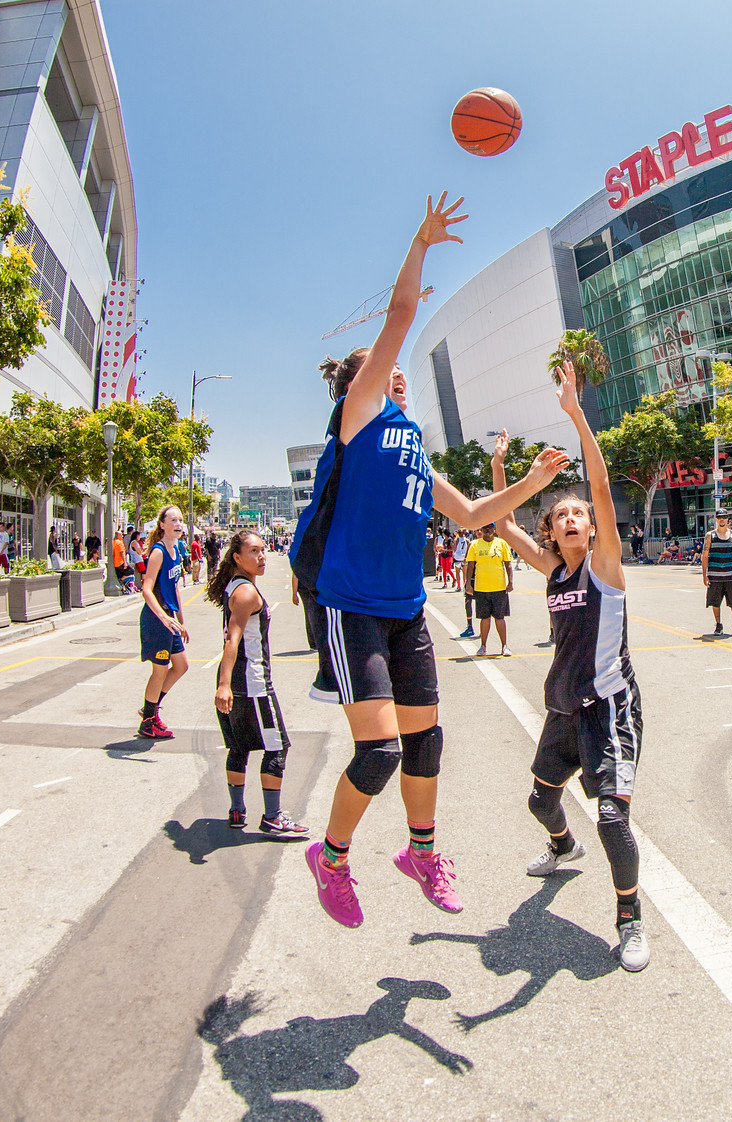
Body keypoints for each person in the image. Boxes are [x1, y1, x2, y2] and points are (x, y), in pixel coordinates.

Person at [287, 193, 569, 929]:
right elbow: (402, 319)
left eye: (395, 374)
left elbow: (475, 515)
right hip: (352, 609)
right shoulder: (358, 419)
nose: (396, 375)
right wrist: (420, 242)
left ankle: (420, 852)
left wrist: (534, 482)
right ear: (360, 384)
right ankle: (334, 857)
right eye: (381, 371)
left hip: (406, 613)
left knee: (427, 739)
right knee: (376, 752)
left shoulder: (413, 448)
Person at [488, 360, 650, 972]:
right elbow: (501, 523)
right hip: (564, 706)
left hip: (610, 706)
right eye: (563, 515)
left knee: (614, 816)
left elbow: (603, 492)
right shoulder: (552, 569)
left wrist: (575, 412)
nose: (575, 517)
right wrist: (504, 465)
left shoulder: (603, 567)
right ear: (552, 533)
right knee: (540, 800)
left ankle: (630, 919)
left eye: (579, 512)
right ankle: (562, 844)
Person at [210, 529, 307, 837]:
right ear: (237, 557)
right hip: (251, 683)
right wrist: (224, 685)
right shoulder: (246, 593)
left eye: (263, 550)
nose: (262, 556)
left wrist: (225, 682)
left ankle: (237, 810)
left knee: (239, 746)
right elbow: (231, 641)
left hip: (240, 679)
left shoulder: (237, 586)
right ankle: (273, 816)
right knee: (277, 747)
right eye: (254, 551)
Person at [137, 506, 190, 739]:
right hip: (157, 618)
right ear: (162, 525)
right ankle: (148, 721)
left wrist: (180, 620)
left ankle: (150, 708)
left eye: (180, 519)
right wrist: (164, 617)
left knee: (181, 666)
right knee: (159, 671)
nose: (178, 523)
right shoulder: (158, 552)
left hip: (170, 619)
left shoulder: (176, 549)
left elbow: (175, 587)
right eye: (173, 520)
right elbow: (146, 590)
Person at [464, 523, 515, 657]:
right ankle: (483, 646)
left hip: (499, 588)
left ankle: (504, 646)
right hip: (481, 588)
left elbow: (508, 564)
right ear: (481, 529)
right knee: (484, 618)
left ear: (494, 529)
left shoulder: (501, 543)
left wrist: (510, 582)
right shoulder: (475, 544)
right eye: (485, 527)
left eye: (490, 527)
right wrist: (468, 583)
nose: (488, 530)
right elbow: (470, 565)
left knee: (500, 617)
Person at [701, 510, 732, 636]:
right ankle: (718, 625)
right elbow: (705, 556)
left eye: (724, 517)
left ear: (728, 519)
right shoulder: (710, 535)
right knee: (715, 602)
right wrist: (704, 575)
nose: (722, 519)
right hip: (715, 575)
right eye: (720, 517)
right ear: (716, 519)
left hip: (731, 574)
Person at [451, 528, 475, 638]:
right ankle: (470, 626)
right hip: (465, 560)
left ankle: (459, 585)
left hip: (459, 558)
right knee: (465, 574)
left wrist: (453, 555)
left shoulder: (459, 540)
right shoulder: (468, 541)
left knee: (458, 573)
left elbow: (454, 549)